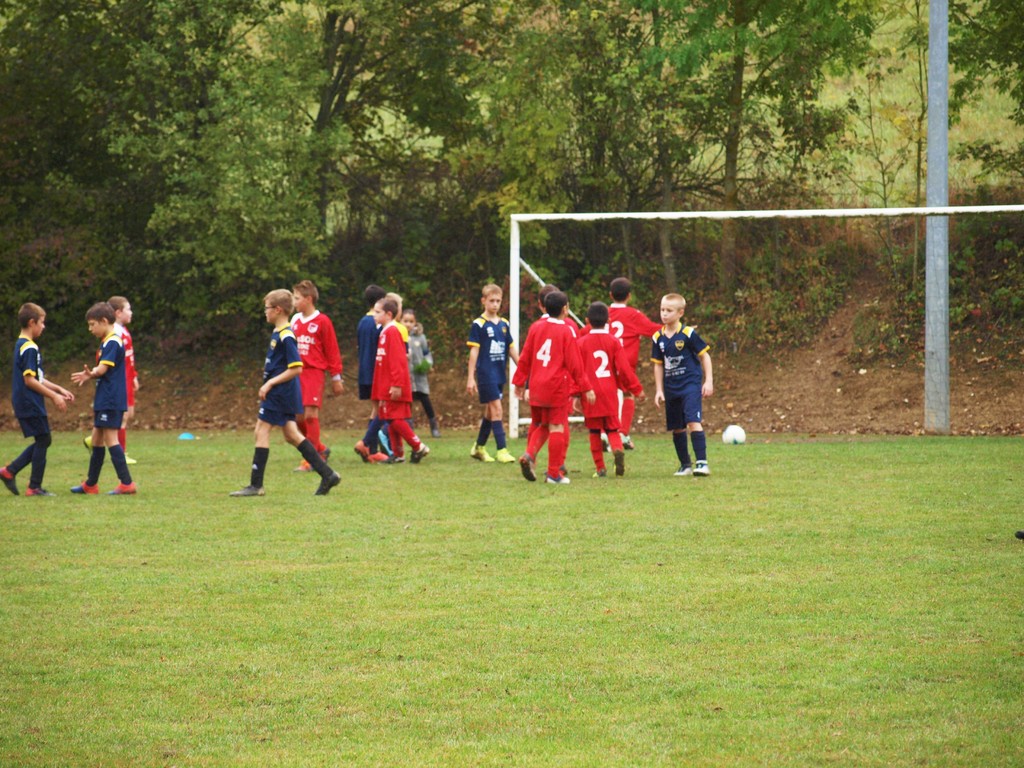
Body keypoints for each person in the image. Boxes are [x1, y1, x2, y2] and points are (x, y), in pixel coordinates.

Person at [230, 289, 341, 497]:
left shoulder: (287, 335)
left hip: (280, 392)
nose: (265, 312)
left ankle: (256, 485)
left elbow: (297, 367)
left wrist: (270, 383)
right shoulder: (279, 332)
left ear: (278, 309)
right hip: (282, 391)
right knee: (291, 434)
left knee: (261, 430)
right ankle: (328, 474)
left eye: (267, 308)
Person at [512, 290, 595, 485]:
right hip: (556, 386)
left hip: (536, 385)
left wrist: (519, 382)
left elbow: (525, 356)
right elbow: (575, 365)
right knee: (557, 426)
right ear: (565, 309)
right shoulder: (566, 331)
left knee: (542, 424)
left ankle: (529, 455)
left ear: (544, 307)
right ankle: (553, 474)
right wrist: (586, 388)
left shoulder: (535, 327)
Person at [0, 303, 75, 496]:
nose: (44, 326)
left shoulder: (22, 344)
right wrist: (54, 396)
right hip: (29, 401)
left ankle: (10, 472)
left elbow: (36, 376)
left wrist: (57, 388)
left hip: (26, 400)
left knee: (43, 439)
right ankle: (33, 486)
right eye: (42, 322)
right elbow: (29, 380)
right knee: (43, 439)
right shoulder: (29, 347)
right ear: (32, 322)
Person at [70, 302, 137, 495]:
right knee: (97, 439)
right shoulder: (107, 341)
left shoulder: (113, 342)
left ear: (104, 321)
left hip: (110, 399)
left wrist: (90, 373)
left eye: (92, 324)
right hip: (105, 397)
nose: (90, 329)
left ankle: (127, 483)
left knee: (110, 439)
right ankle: (91, 484)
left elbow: (102, 369)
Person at [577, 301, 644, 478]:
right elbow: (624, 369)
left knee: (594, 431)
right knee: (612, 428)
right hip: (609, 391)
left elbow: (577, 371)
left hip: (590, 392)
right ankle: (617, 449)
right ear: (608, 320)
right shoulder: (613, 341)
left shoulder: (581, 343)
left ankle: (600, 468)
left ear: (587, 321)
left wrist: (575, 395)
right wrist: (636, 389)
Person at [651, 293, 714, 476]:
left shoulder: (688, 334)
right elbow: (658, 365)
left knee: (693, 421)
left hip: (690, 385)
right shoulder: (657, 337)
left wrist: (708, 381)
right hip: (671, 387)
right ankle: (685, 465)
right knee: (677, 426)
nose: (664, 314)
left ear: (680, 313)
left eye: (669, 310)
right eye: (662, 309)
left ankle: (702, 463)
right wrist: (659, 390)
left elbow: (705, 356)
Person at [290, 280, 344, 472]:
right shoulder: (295, 320)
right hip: (296, 373)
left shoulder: (322, 321)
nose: (294, 302)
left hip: (314, 372)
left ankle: (311, 460)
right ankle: (320, 449)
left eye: (297, 298)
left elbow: (332, 350)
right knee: (298, 418)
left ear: (308, 299)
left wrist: (336, 377)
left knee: (311, 415)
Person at [372, 297, 429, 464]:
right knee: (390, 418)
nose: (374, 315)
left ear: (389, 314)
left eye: (378, 312)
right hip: (386, 383)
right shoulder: (384, 331)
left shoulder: (393, 331)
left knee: (394, 418)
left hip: (394, 384)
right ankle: (398, 454)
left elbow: (398, 360)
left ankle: (418, 446)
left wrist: (396, 384)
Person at [466, 283, 519, 463]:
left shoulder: (504, 324)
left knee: (490, 412)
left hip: (499, 373)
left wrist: (523, 368)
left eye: (498, 301)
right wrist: (471, 377)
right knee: (497, 409)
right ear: (484, 301)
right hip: (485, 373)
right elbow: (474, 352)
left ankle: (479, 447)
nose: (495, 304)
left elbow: (511, 348)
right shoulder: (479, 324)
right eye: (492, 301)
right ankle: (502, 450)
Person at [354, 284, 389, 463]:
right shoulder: (378, 324)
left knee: (376, 409)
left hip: (364, 372)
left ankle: (371, 448)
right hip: (376, 372)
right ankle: (369, 446)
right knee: (381, 409)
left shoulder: (362, 322)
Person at [108, 296, 140, 464]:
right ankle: (121, 453)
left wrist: (133, 375)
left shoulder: (123, 330)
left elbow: (128, 357)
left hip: (127, 378)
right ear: (118, 313)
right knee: (123, 415)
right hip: (120, 379)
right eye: (128, 309)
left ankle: (94, 439)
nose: (131, 312)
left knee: (128, 414)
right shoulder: (115, 332)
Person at [402, 308, 441, 437]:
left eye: (411, 321)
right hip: (406, 376)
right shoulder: (399, 336)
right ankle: (409, 427)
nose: (408, 324)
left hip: (419, 377)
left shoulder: (421, 337)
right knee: (408, 402)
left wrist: (427, 364)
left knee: (425, 399)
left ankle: (434, 426)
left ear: (415, 322)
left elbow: (426, 354)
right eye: (405, 321)